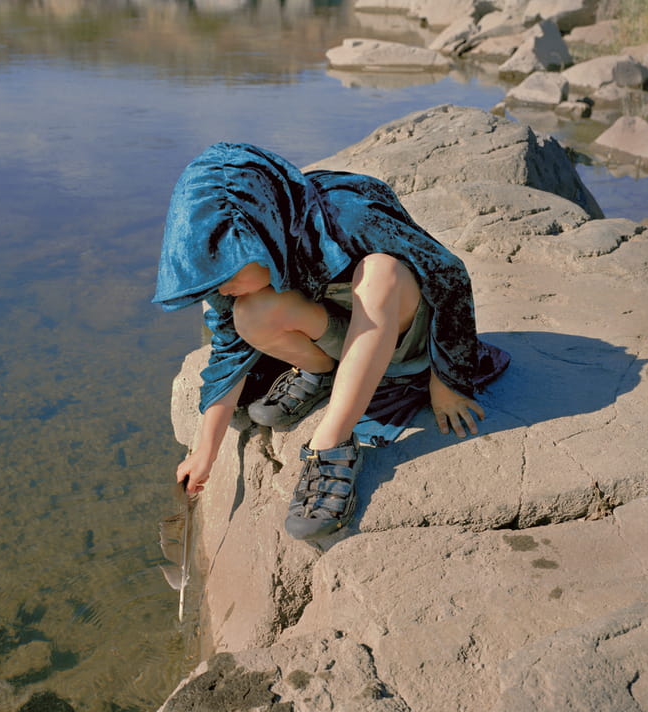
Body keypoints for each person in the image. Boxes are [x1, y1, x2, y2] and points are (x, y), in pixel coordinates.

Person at [153, 142, 508, 541]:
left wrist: (448, 383)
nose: (222, 288)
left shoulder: (348, 215)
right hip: (342, 334)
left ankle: (332, 443)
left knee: (381, 272)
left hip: (407, 335)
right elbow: (229, 350)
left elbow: (448, 275)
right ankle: (321, 371)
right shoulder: (239, 263)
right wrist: (206, 450)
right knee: (248, 313)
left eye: (228, 276)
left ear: (260, 235)